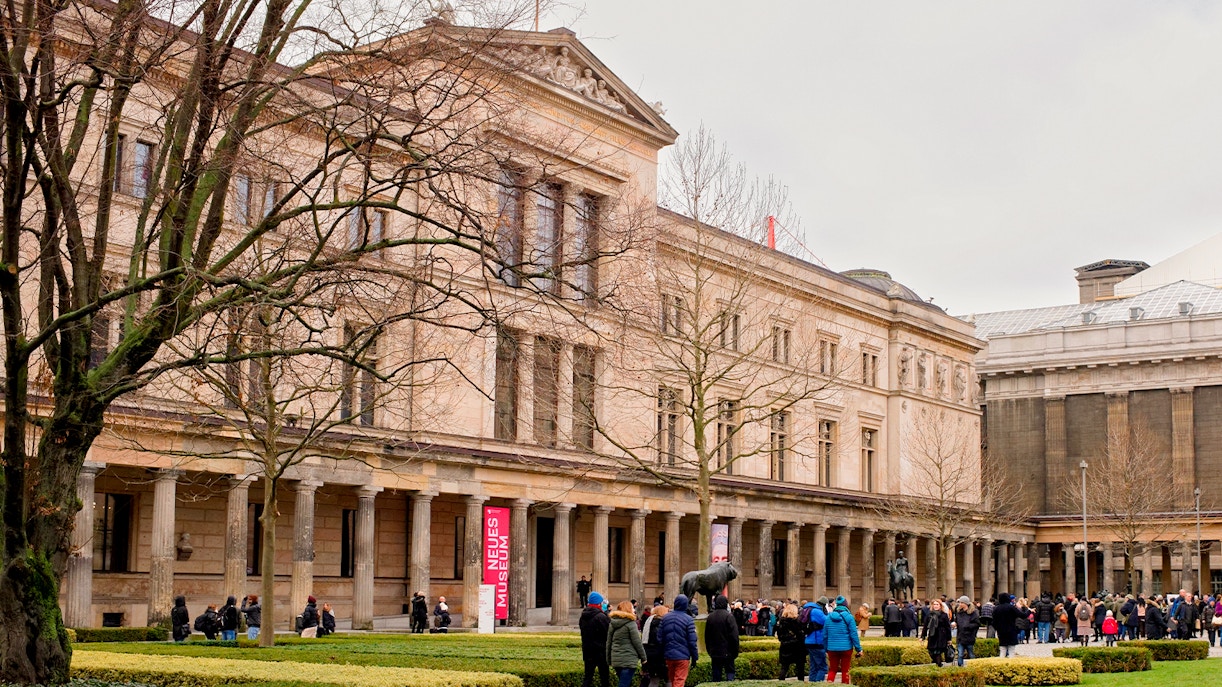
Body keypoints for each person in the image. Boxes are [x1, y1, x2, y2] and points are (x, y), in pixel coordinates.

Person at [658, 595, 699, 687]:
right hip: (683, 656)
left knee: (673, 681)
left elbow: (660, 638)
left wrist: (663, 653)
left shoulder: (665, 618)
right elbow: (692, 641)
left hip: (669, 656)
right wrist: (695, 657)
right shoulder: (688, 619)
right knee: (679, 682)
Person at [606, 600, 647, 687]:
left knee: (625, 683)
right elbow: (637, 643)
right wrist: (643, 658)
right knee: (624, 684)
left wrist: (609, 659)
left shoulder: (612, 623)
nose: (634, 610)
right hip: (628, 659)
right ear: (628, 609)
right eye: (632, 608)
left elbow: (609, 642)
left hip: (616, 660)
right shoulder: (631, 623)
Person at [824, 596, 861, 685]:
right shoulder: (849, 617)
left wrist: (826, 648)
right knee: (845, 670)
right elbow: (854, 635)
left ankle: (828, 685)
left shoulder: (829, 617)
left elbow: (825, 635)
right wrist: (859, 649)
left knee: (832, 670)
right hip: (846, 648)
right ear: (846, 605)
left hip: (832, 648)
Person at [704, 595, 740, 682]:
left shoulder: (710, 617)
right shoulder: (729, 617)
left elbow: (707, 636)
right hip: (728, 652)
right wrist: (735, 651)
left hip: (715, 652)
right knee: (730, 674)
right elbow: (734, 636)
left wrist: (709, 650)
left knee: (716, 676)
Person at [580, 592, 611, 687]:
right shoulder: (601, 617)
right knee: (604, 678)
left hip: (588, 650)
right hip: (601, 651)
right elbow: (608, 633)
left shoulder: (583, 616)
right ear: (598, 603)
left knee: (588, 677)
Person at [775, 603, 806, 680]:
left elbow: (779, 636)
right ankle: (800, 683)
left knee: (784, 667)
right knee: (800, 667)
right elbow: (801, 635)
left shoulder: (781, 622)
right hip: (798, 647)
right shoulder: (797, 622)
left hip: (785, 646)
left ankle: (780, 683)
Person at [640, 604, 669, 687]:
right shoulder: (663, 624)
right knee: (669, 679)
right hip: (661, 655)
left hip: (650, 655)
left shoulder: (648, 622)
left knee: (654, 680)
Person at [802, 597, 828, 682]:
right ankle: (817, 684)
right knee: (823, 667)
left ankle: (811, 683)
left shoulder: (809, 608)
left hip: (809, 641)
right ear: (824, 604)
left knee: (813, 667)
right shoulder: (817, 611)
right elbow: (827, 621)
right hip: (817, 642)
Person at [925, 599, 953, 667]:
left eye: (937, 604)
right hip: (932, 635)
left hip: (941, 636)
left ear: (940, 606)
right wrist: (923, 636)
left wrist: (949, 639)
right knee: (931, 652)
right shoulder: (929, 614)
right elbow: (925, 626)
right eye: (934, 604)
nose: (936, 606)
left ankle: (939, 664)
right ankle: (938, 663)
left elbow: (948, 627)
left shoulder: (944, 615)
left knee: (937, 652)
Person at [991, 593, 1020, 658]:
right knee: (1011, 650)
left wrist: (997, 628)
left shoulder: (996, 609)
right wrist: (1029, 611)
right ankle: (1011, 665)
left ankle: (1001, 665)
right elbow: (1022, 615)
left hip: (1001, 631)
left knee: (1002, 650)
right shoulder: (1011, 607)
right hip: (1011, 631)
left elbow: (993, 622)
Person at [953, 596, 980, 666]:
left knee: (970, 653)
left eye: (962, 602)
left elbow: (977, 624)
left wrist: (967, 626)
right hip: (960, 636)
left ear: (966, 603)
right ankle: (960, 667)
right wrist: (954, 624)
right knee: (960, 654)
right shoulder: (959, 612)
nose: (960, 604)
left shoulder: (973, 613)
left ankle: (974, 666)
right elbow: (956, 621)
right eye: (960, 602)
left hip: (969, 636)